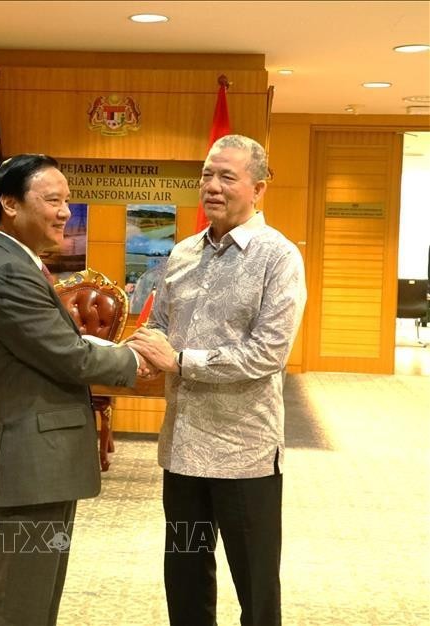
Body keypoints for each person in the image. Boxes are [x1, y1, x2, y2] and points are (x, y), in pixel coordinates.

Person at [0, 154, 150, 626]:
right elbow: (69, 357)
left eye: (67, 200)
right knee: (18, 609)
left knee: (37, 602)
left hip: (43, 463)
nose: (65, 211)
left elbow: (59, 345)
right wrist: (134, 358)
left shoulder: (18, 263)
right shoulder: (9, 272)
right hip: (29, 466)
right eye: (53, 200)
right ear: (9, 202)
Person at [127, 135, 307, 626]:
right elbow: (159, 327)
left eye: (227, 176)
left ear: (259, 188)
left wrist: (181, 361)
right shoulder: (183, 253)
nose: (211, 186)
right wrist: (138, 354)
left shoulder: (280, 257)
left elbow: (267, 354)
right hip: (182, 451)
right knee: (185, 574)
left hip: (244, 454)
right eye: (207, 174)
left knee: (255, 586)